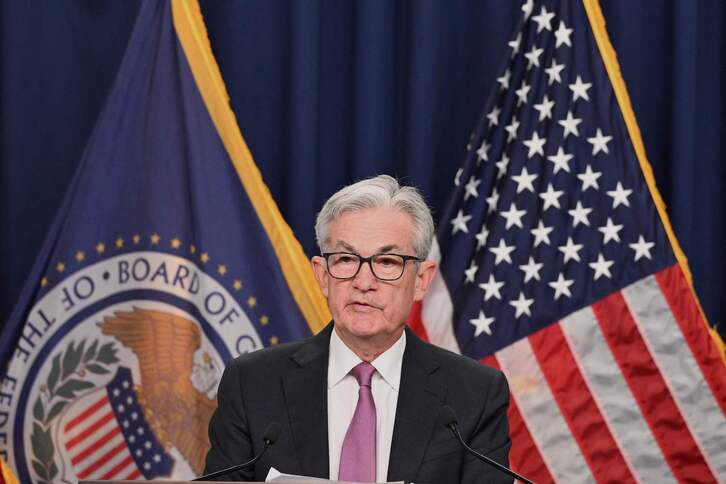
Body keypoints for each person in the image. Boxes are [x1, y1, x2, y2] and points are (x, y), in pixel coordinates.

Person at [203, 175, 511, 483]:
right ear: (322, 275)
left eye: (388, 261)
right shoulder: (252, 384)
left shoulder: (474, 394)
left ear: (421, 280)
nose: (364, 283)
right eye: (347, 259)